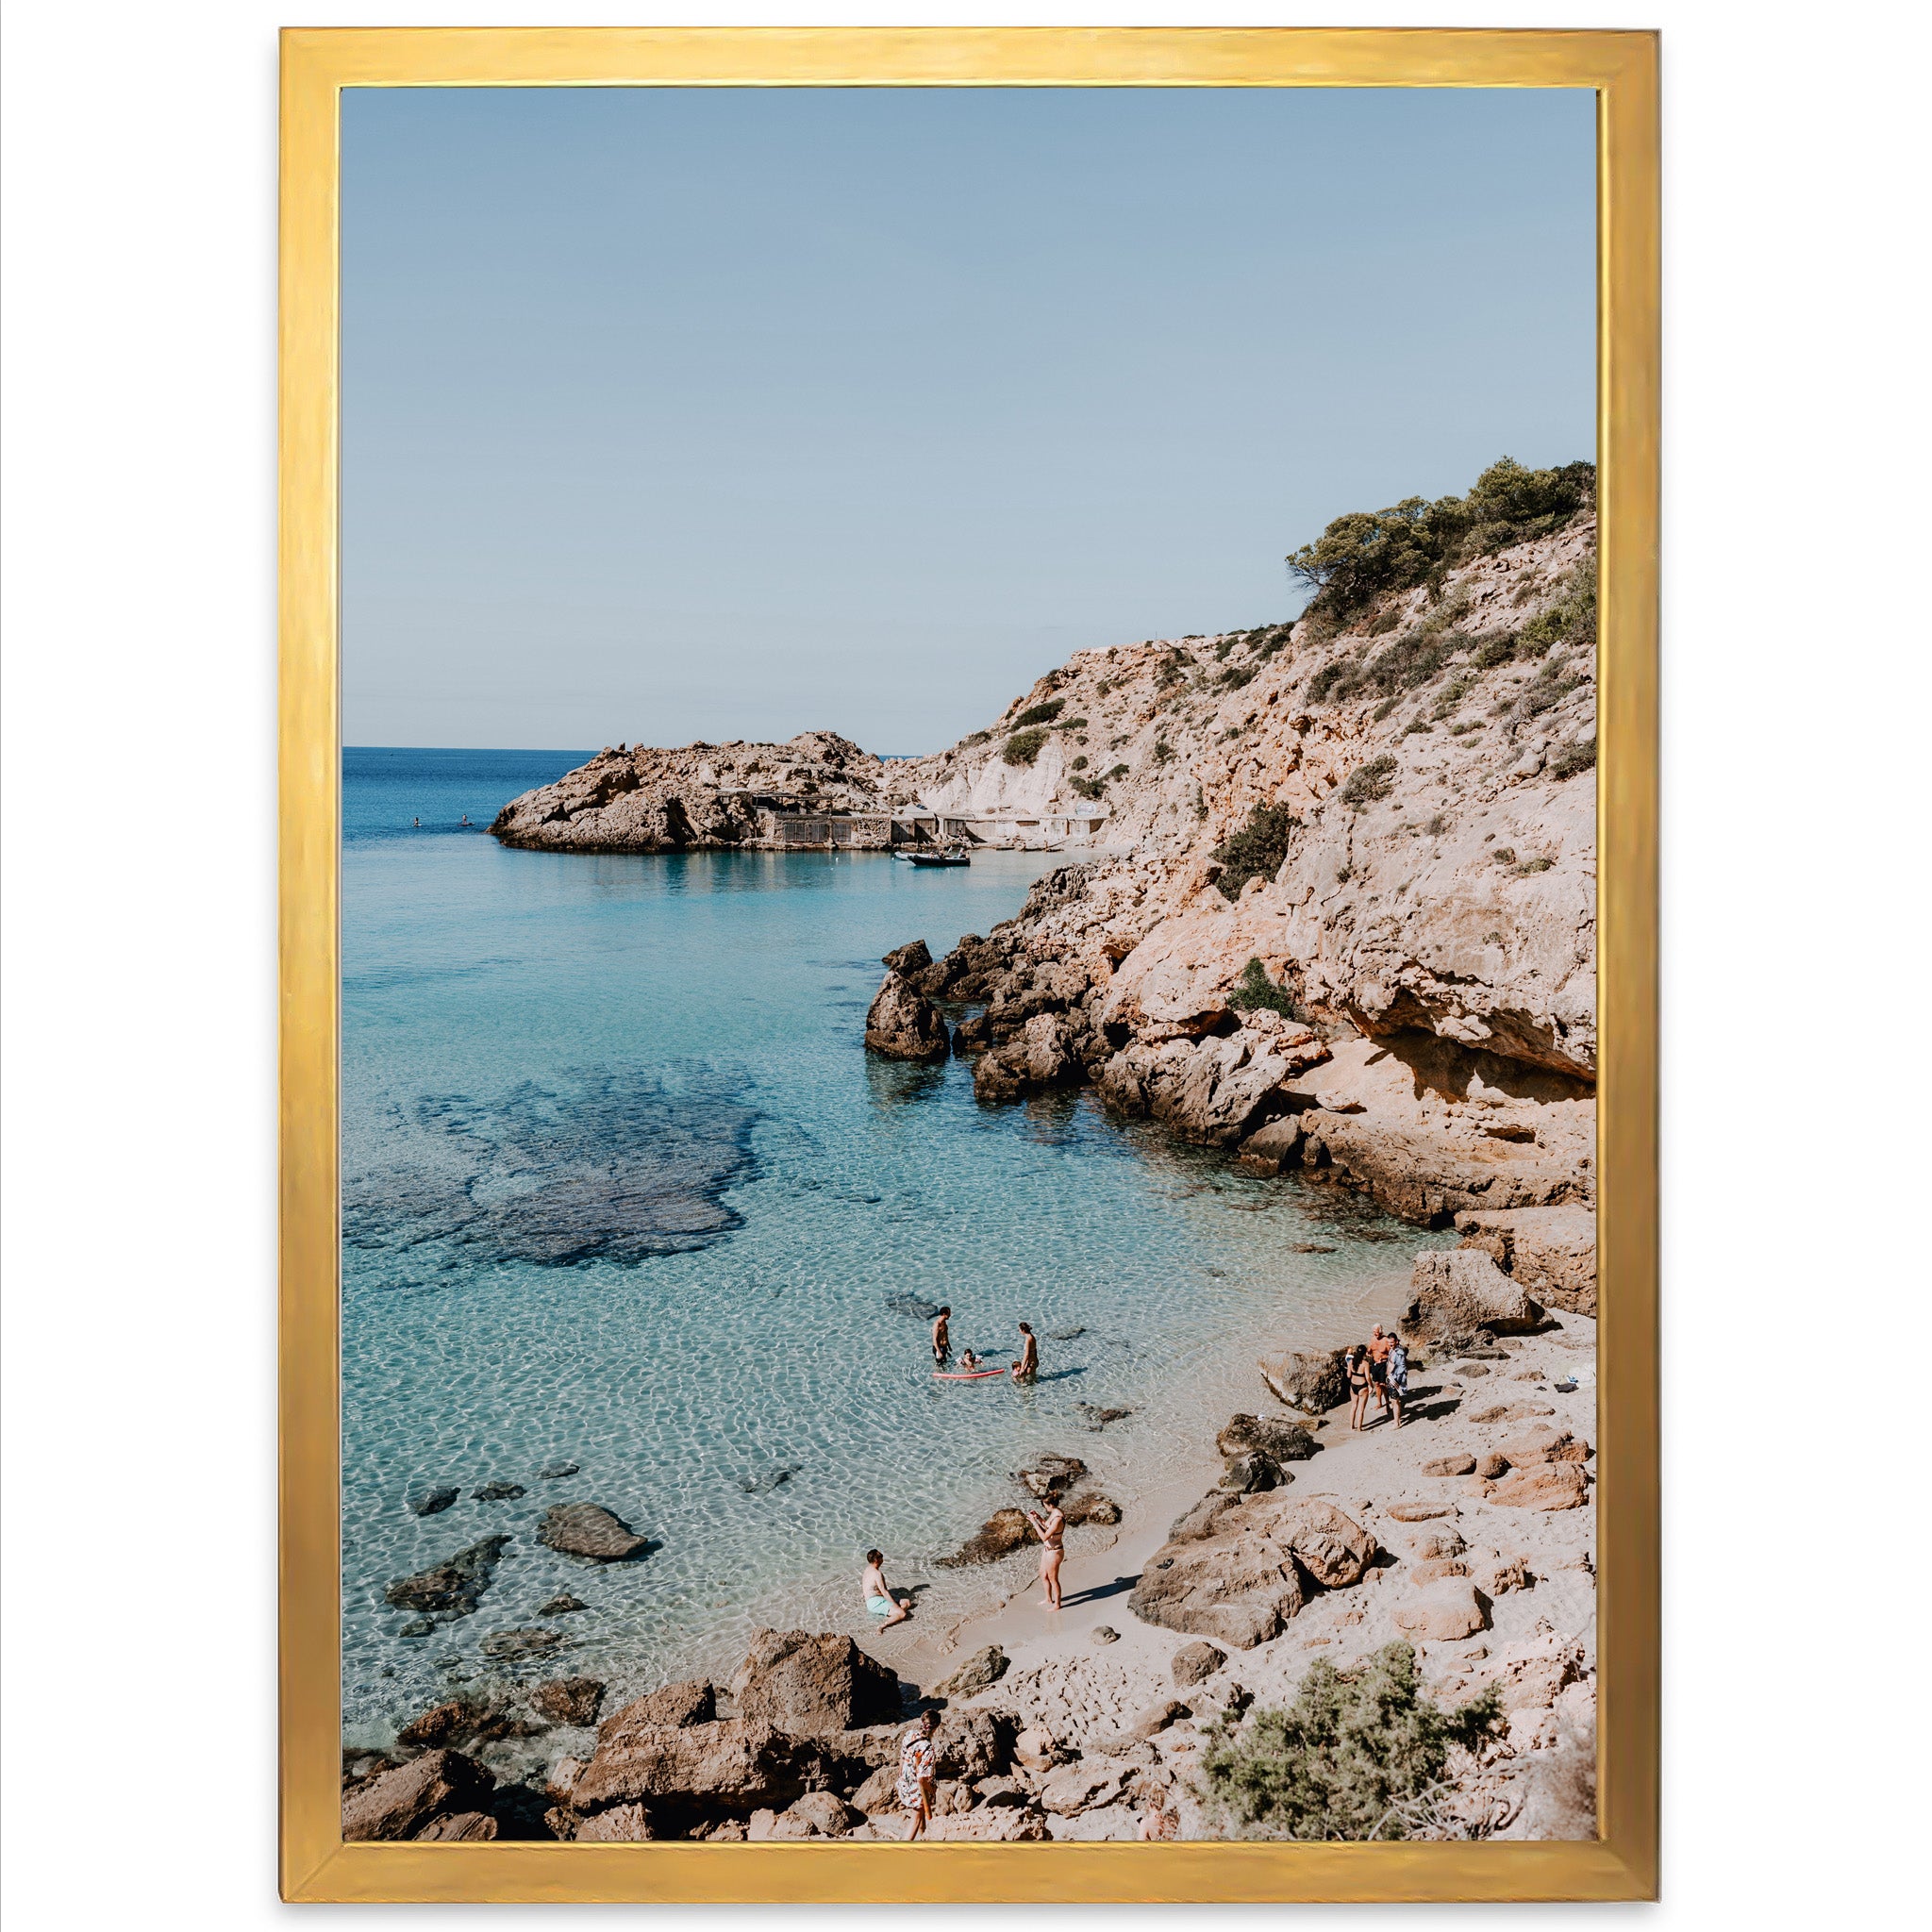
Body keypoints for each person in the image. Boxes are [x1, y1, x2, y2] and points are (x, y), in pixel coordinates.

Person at [895, 1708, 941, 1839]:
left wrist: (902, 1779)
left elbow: (902, 1759)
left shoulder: (910, 1735)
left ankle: (924, 1838)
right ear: (936, 1727)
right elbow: (922, 1779)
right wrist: (931, 1790)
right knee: (915, 1819)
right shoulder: (928, 1749)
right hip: (917, 1788)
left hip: (905, 1782)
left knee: (920, 1814)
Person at [1024, 1498, 1066, 1610]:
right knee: (1043, 1574)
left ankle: (1057, 1604)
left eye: (1045, 1505)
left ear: (1051, 1504)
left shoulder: (1058, 1518)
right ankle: (1048, 1598)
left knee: (1053, 1579)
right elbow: (1047, 1526)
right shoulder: (1054, 1512)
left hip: (1055, 1551)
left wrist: (1034, 1523)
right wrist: (1038, 1518)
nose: (1044, 1507)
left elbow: (1044, 1537)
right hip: (1047, 1549)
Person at [862, 1548, 910, 1627]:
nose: (882, 1558)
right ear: (876, 1560)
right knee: (902, 1613)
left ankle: (891, 1614)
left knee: (907, 1602)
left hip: (872, 1600)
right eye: (881, 1556)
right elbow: (884, 1592)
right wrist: (896, 1606)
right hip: (875, 1603)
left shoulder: (867, 1569)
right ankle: (882, 1625)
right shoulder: (877, 1574)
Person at [1368, 1325, 1395, 1420]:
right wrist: (1368, 1352)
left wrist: (1384, 1359)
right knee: (1377, 1384)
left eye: (1376, 1332)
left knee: (1384, 1385)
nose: (1375, 1333)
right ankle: (1379, 1403)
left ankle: (1388, 1405)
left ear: (1381, 1331)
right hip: (1374, 1364)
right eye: (1373, 1332)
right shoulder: (1372, 1339)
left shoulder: (1385, 1340)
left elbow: (1391, 1353)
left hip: (1383, 1364)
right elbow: (1370, 1350)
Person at [1345, 1343, 1373, 1431]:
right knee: (1361, 1409)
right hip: (1362, 1387)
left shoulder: (1350, 1362)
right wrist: (1371, 1386)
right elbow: (1368, 1377)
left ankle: (1351, 1426)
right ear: (1364, 1354)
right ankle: (1359, 1428)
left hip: (1353, 1386)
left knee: (1353, 1407)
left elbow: (1348, 1375)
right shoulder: (1365, 1364)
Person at [1386, 1337, 1409, 1429]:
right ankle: (1397, 1420)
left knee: (1395, 1401)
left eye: (1391, 1342)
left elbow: (1402, 1369)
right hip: (1391, 1378)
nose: (1390, 1344)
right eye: (1388, 1342)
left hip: (1395, 1380)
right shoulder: (1392, 1350)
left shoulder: (1399, 1353)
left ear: (1396, 1341)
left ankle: (1397, 1423)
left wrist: (1398, 1382)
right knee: (1393, 1400)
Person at [1011, 1321, 1039, 1386]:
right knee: (1033, 1380)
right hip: (1034, 1361)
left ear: (1023, 1330)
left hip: (1030, 1363)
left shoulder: (1028, 1340)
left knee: (1017, 1376)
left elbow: (1026, 1355)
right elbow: (1035, 1351)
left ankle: (1022, 1391)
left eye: (1019, 1330)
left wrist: (1022, 1368)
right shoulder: (1032, 1337)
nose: (1019, 1331)